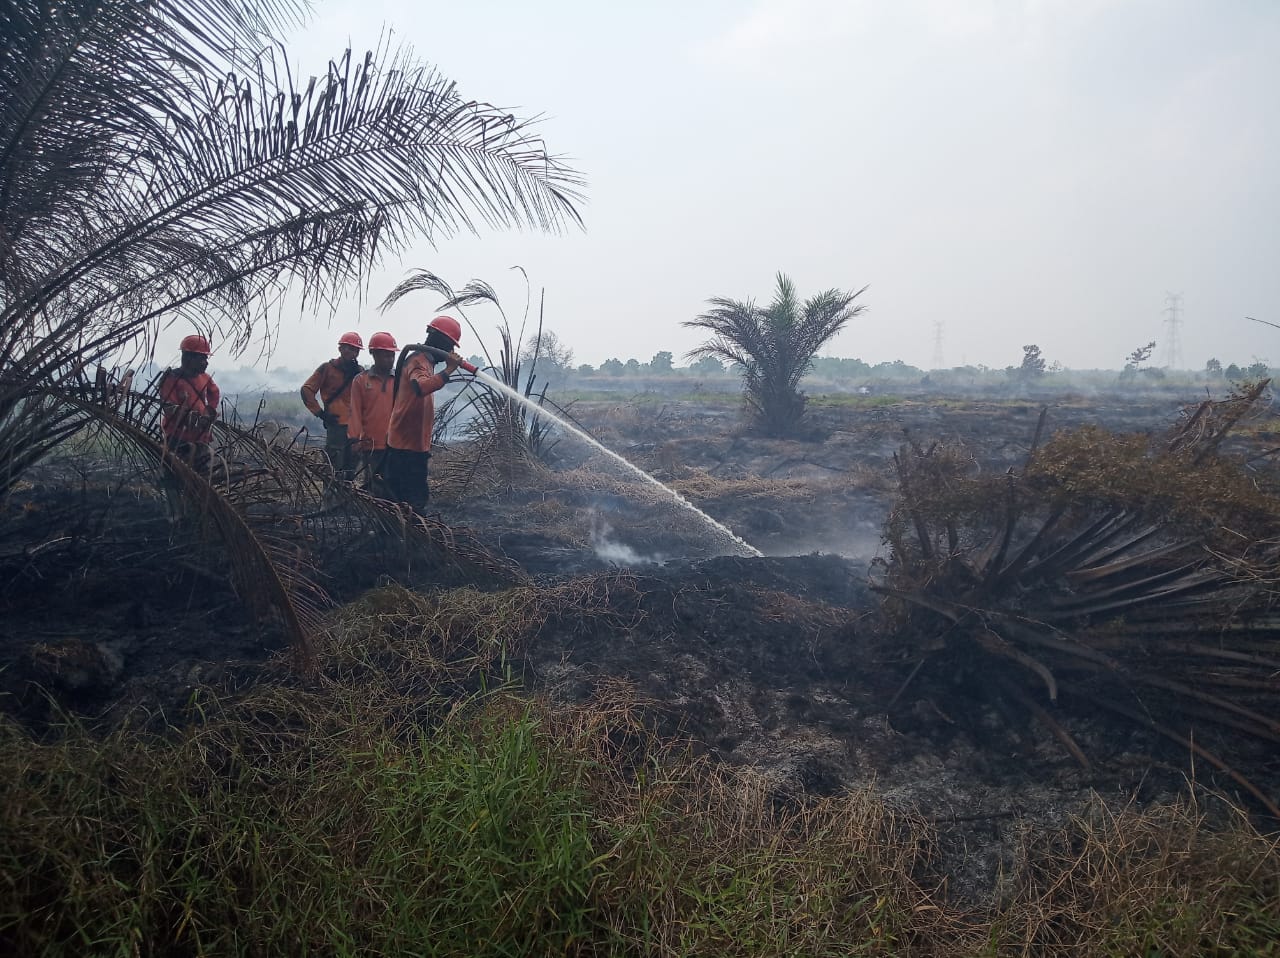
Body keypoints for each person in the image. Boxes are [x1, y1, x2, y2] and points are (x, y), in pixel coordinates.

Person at [384, 316, 462, 510]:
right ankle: (403, 534)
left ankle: (406, 531)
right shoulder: (418, 361)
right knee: (409, 497)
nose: (451, 351)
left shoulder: (427, 362)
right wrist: (449, 370)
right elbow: (421, 387)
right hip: (405, 445)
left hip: (414, 443)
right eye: (450, 345)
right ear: (438, 340)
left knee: (411, 496)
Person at [301, 332, 363, 479]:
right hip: (336, 427)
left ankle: (348, 498)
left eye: (354, 349)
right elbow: (306, 390)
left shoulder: (360, 372)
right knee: (334, 468)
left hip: (356, 429)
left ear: (358, 352)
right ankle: (332, 499)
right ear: (340, 348)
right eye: (347, 348)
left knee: (351, 469)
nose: (350, 351)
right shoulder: (327, 369)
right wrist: (321, 414)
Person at [158, 334, 220, 474]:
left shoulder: (205, 378)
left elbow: (214, 393)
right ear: (188, 357)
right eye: (202, 358)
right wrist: (192, 419)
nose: (206, 362)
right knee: (174, 474)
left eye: (206, 358)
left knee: (201, 476)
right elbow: (169, 407)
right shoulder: (171, 378)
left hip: (200, 438)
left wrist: (209, 411)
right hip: (177, 438)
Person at [348, 331, 397, 491]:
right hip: (371, 444)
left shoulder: (400, 381)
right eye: (385, 356)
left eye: (392, 356)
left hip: (396, 444)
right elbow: (355, 411)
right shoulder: (361, 381)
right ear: (374, 354)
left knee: (394, 485)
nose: (390, 360)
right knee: (375, 486)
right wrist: (354, 439)